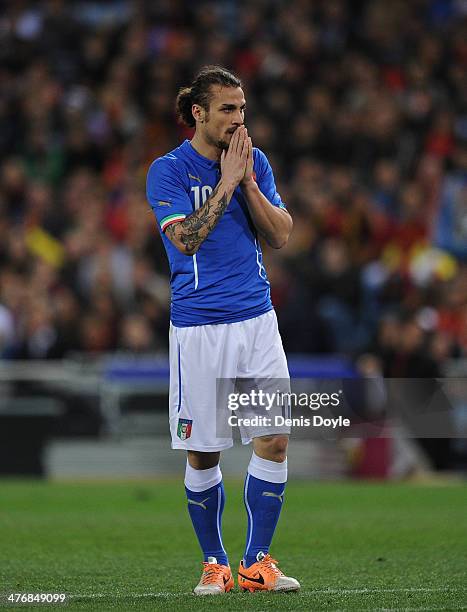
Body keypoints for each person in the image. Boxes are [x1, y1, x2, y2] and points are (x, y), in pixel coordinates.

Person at [146, 65, 300, 595]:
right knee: (204, 452)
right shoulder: (166, 171)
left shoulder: (254, 161)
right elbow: (186, 240)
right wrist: (227, 181)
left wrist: (249, 182)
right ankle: (214, 562)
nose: (239, 119)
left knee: (275, 440)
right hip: (200, 328)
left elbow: (280, 235)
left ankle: (257, 562)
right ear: (199, 113)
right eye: (228, 110)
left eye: (242, 109)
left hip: (257, 320)